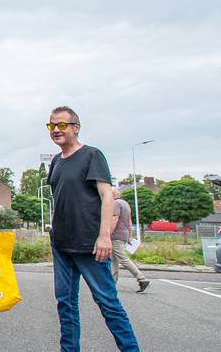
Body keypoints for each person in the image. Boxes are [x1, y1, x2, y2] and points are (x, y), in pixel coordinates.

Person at [45, 106, 140, 352]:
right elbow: (59, 198)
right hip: (61, 245)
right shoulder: (55, 161)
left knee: (108, 303)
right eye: (52, 125)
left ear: (76, 127)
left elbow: (106, 195)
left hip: (90, 245)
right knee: (65, 304)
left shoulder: (91, 155)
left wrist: (104, 236)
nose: (56, 130)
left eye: (62, 125)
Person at [111, 189, 150, 292]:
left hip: (116, 235)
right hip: (123, 234)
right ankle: (112, 282)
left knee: (122, 259)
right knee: (113, 259)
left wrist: (107, 234)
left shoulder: (115, 203)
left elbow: (114, 219)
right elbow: (129, 220)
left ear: (112, 194)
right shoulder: (125, 204)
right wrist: (130, 235)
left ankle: (141, 278)